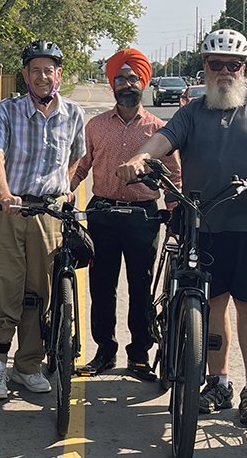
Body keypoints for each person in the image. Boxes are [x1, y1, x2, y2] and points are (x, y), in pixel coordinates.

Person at [116, 29, 247, 426]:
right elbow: (163, 139)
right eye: (216, 65)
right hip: (206, 224)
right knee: (213, 307)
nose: (224, 72)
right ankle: (219, 382)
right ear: (205, 68)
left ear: (244, 69)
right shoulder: (193, 112)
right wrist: (139, 158)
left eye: (233, 65)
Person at [0, 38, 87, 400]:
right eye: (36, 70)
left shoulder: (73, 113)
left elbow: (77, 156)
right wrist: (4, 190)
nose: (43, 76)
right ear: (25, 74)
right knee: (4, 283)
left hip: (48, 211)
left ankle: (28, 364)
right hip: (9, 208)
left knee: (38, 289)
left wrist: (66, 187)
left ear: (59, 74)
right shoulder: (7, 110)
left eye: (49, 70)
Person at [69, 46, 180, 381]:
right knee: (101, 287)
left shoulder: (159, 130)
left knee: (141, 286)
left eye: (133, 78)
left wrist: (175, 214)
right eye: (121, 78)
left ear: (143, 82)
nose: (127, 83)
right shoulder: (97, 126)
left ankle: (139, 355)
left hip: (141, 217)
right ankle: (104, 352)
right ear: (112, 84)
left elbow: (174, 176)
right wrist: (66, 192)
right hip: (102, 213)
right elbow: (81, 166)